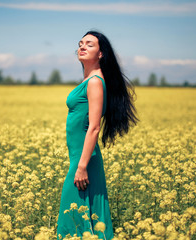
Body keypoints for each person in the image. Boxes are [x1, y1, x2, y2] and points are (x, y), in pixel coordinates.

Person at [56, 30, 139, 239]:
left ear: (101, 54)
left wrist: (82, 166)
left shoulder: (94, 82)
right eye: (81, 43)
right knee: (84, 216)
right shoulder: (90, 80)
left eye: (90, 44)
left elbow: (94, 127)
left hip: (84, 161)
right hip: (81, 157)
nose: (82, 47)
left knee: (73, 216)